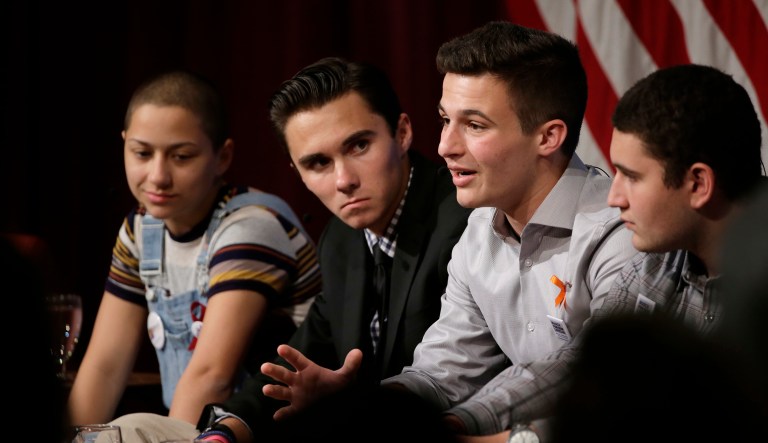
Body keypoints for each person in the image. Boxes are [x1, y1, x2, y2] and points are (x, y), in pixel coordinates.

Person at [108, 57, 472, 442]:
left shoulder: (460, 222)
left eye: (359, 145)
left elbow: (455, 379)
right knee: (129, 429)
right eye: (318, 163)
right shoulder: (341, 239)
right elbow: (296, 361)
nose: (344, 180)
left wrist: (351, 400)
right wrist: (227, 431)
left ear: (401, 133)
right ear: (297, 172)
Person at [377, 20, 637, 439]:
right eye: (445, 120)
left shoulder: (622, 234)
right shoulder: (478, 232)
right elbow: (441, 374)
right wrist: (366, 410)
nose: (445, 145)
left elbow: (607, 386)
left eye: (475, 125)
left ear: (548, 137)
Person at [68, 70, 321, 427]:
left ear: (222, 157)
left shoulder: (250, 227)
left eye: (181, 157)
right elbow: (106, 364)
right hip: (200, 427)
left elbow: (211, 376)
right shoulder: (141, 230)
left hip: (265, 428)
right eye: (141, 153)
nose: (158, 176)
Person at [543, 63, 766, 442]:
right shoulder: (659, 257)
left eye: (631, 176)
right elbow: (577, 367)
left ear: (698, 183)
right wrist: (461, 423)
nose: (614, 198)